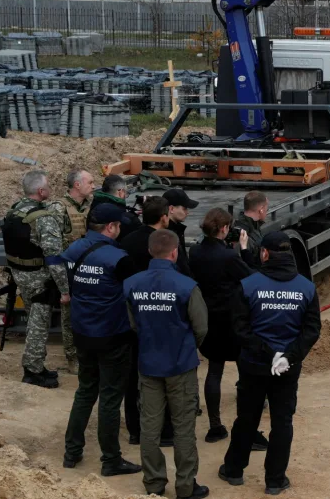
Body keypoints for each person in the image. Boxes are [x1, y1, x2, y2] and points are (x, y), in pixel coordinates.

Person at [219, 232, 321, 496]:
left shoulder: (248, 285)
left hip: (253, 365)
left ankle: (233, 470)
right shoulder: (307, 288)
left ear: (264, 253)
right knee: (282, 421)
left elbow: (240, 329)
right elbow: (311, 331)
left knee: (247, 417)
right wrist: (288, 356)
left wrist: (268, 353)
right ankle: (275, 480)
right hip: (288, 369)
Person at [125, 229, 209, 499]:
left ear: (150, 251)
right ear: (175, 253)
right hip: (181, 365)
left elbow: (133, 324)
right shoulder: (187, 286)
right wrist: (185, 346)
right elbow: (201, 327)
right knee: (183, 426)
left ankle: (153, 483)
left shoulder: (132, 284)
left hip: (148, 363)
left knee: (149, 427)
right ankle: (185, 486)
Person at [61, 204, 141, 477]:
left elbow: (69, 285)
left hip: (82, 332)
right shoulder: (119, 258)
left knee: (85, 391)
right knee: (109, 397)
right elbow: (133, 295)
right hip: (113, 335)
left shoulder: (73, 250)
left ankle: (71, 452)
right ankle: (111, 459)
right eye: (119, 225)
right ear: (111, 227)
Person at [188, 208, 255, 446]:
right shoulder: (228, 257)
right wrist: (244, 250)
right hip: (232, 318)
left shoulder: (195, 252)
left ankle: (215, 425)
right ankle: (247, 423)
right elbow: (250, 278)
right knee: (245, 372)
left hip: (208, 318)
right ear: (225, 229)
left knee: (214, 372)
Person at [118, 197, 179, 446]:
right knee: (164, 375)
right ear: (164, 216)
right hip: (164, 316)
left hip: (134, 314)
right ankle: (164, 430)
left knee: (133, 376)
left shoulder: (128, 240)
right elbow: (182, 276)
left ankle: (135, 430)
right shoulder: (169, 242)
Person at [3, 170, 69, 388]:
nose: (50, 188)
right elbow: (54, 258)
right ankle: (32, 371)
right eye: (48, 186)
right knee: (38, 325)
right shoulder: (44, 219)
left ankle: (37, 366)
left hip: (20, 275)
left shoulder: (14, 211)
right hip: (39, 280)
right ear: (41, 191)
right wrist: (65, 289)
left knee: (33, 321)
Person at [60, 168, 95, 372]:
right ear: (77, 185)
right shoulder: (59, 208)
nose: (93, 185)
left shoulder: (90, 207)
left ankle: (87, 353)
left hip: (88, 266)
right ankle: (72, 358)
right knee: (68, 314)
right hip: (68, 268)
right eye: (90, 182)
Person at [90, 175, 141, 242]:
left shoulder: (95, 203)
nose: (126, 195)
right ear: (120, 191)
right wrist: (132, 217)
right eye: (126, 192)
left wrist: (132, 213)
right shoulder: (117, 209)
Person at [162, 188, 199, 277]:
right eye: (184, 208)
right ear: (171, 209)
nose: (187, 212)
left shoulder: (176, 229)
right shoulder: (168, 234)